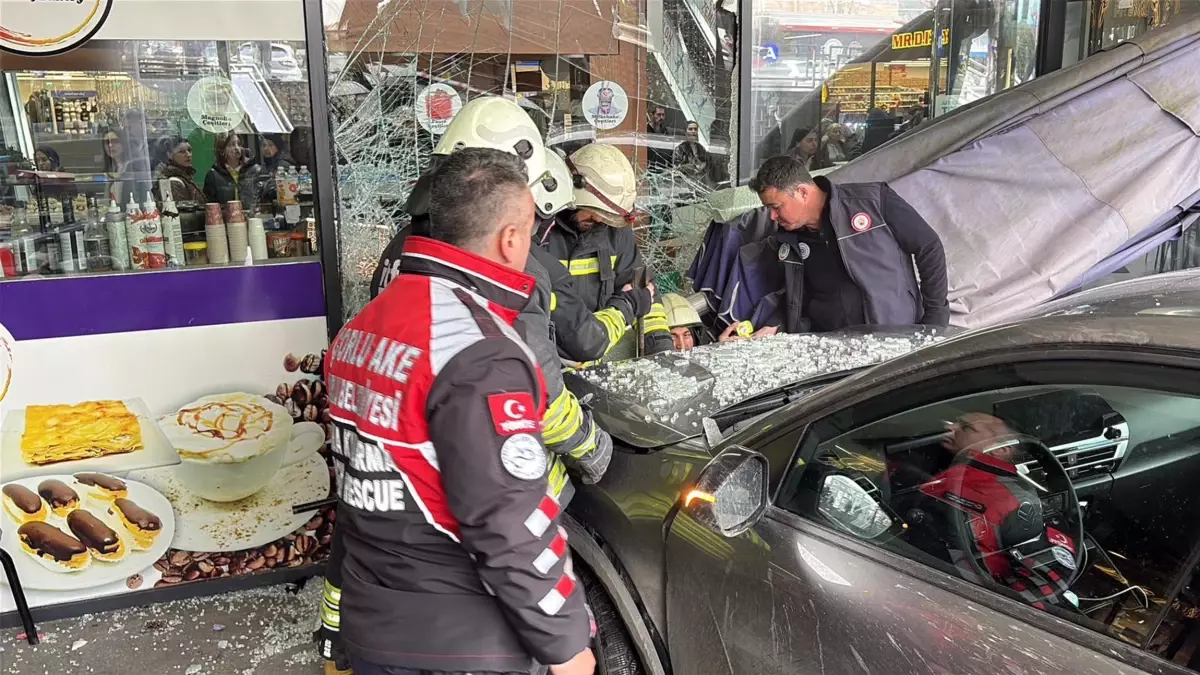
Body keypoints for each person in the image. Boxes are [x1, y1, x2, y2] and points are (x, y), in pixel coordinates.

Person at [325, 147, 594, 675]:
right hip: (465, 641)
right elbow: (508, 521)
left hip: (376, 620)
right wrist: (565, 642)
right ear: (510, 239)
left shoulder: (361, 329)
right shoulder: (479, 350)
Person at [691, 154, 948, 338]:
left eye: (775, 207)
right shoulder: (790, 239)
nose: (772, 217)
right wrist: (776, 325)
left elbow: (929, 247)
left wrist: (934, 320)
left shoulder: (872, 202)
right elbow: (797, 296)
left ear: (803, 192)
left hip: (893, 336)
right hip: (833, 346)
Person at [537, 143, 675, 357]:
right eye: (593, 212)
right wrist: (626, 308)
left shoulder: (614, 233)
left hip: (600, 359)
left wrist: (661, 350)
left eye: (607, 215)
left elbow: (642, 292)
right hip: (550, 364)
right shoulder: (539, 234)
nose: (599, 220)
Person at [204, 132, 262, 211]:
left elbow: (261, 202)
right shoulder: (213, 175)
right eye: (231, 145)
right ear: (222, 150)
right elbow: (211, 207)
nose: (237, 148)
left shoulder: (254, 170)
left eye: (238, 144)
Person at [153, 137, 206, 204]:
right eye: (181, 151)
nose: (188, 154)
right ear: (169, 155)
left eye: (189, 150)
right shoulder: (173, 181)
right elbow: (181, 212)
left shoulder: (185, 175)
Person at [672, 121, 710, 186]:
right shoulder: (680, 149)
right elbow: (677, 168)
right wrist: (692, 167)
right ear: (685, 132)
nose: (693, 131)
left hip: (700, 183)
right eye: (690, 129)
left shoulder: (701, 148)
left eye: (695, 129)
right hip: (685, 184)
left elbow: (707, 164)